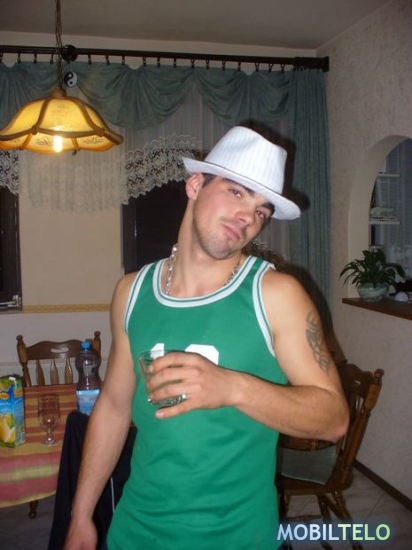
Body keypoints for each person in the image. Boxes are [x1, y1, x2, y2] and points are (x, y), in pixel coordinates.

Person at [63, 126, 349, 550]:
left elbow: (334, 419)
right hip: (136, 531)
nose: (248, 217)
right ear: (195, 185)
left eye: (261, 210)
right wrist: (81, 514)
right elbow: (115, 406)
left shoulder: (275, 295)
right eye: (236, 193)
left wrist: (232, 388)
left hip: (237, 538)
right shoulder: (131, 292)